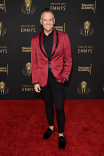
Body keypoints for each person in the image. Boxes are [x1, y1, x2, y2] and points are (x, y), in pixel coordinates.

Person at [31, 8, 72, 150]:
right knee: (48, 104)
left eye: (50, 19)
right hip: (42, 79)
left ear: (54, 21)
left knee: (59, 107)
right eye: (45, 20)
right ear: (41, 22)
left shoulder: (64, 36)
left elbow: (68, 58)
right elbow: (34, 62)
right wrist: (35, 81)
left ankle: (61, 134)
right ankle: (51, 127)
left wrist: (65, 75)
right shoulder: (35, 39)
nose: (48, 22)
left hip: (58, 78)